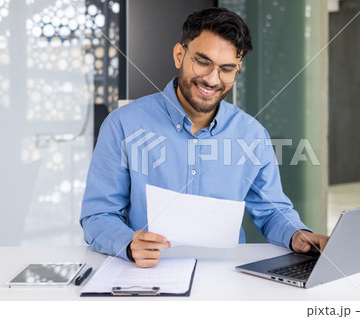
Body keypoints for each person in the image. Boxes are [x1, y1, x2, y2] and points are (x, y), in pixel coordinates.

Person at [80, 7, 328, 268]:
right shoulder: (123, 125)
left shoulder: (252, 134)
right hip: (145, 276)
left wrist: (298, 236)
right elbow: (98, 215)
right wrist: (128, 243)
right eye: (202, 62)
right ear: (179, 55)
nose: (212, 79)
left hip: (227, 279)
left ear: (237, 69)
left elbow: (272, 212)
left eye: (226, 69)